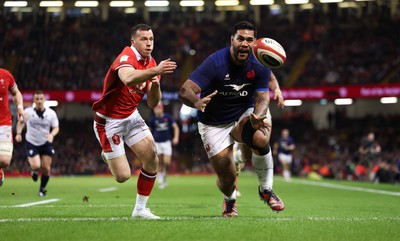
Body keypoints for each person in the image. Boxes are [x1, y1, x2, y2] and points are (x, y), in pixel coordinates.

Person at [179, 21, 284, 217]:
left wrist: (258, 116)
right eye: (240, 39)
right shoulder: (215, 62)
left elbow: (262, 97)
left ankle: (266, 190)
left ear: (255, 42)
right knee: (226, 178)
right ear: (232, 40)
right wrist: (197, 102)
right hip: (213, 122)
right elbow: (185, 90)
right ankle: (230, 200)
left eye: (249, 40)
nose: (245, 43)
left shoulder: (260, 62)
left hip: (244, 111)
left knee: (261, 138)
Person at [92, 23, 177, 220]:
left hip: (131, 116)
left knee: (152, 157)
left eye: (151, 39)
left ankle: (140, 210)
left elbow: (154, 103)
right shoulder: (126, 57)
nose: (149, 44)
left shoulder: (151, 62)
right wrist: (155, 70)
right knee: (122, 176)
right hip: (108, 122)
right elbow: (128, 78)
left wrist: (155, 84)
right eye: (144, 39)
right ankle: (107, 154)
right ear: (133, 41)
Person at [234, 72, 285, 193]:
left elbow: (271, 76)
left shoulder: (259, 60)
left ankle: (267, 189)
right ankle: (236, 158)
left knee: (262, 142)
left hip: (261, 109)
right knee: (247, 158)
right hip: (243, 111)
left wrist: (277, 90)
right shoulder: (234, 63)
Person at [15, 90, 59, 196]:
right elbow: (20, 122)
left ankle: (42, 189)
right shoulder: (28, 112)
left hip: (45, 143)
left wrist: (52, 134)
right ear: (34, 100)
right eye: (37, 99)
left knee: (46, 168)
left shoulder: (51, 113)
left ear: (44, 100)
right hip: (32, 142)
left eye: (41, 99)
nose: (39, 101)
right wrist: (18, 133)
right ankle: (34, 171)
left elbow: (56, 127)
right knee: (36, 166)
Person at [0, 68, 27, 187]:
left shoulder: (5, 75)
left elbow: (16, 93)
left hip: (3, 122)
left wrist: (20, 107)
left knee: (5, 161)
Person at [148, 102, 180, 189]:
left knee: (167, 162)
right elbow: (149, 131)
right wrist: (149, 141)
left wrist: (176, 137)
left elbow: (175, 127)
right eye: (155, 109)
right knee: (160, 162)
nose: (156, 110)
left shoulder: (167, 117)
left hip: (166, 142)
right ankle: (161, 178)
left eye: (158, 108)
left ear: (161, 108)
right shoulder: (153, 120)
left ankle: (164, 175)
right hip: (157, 143)